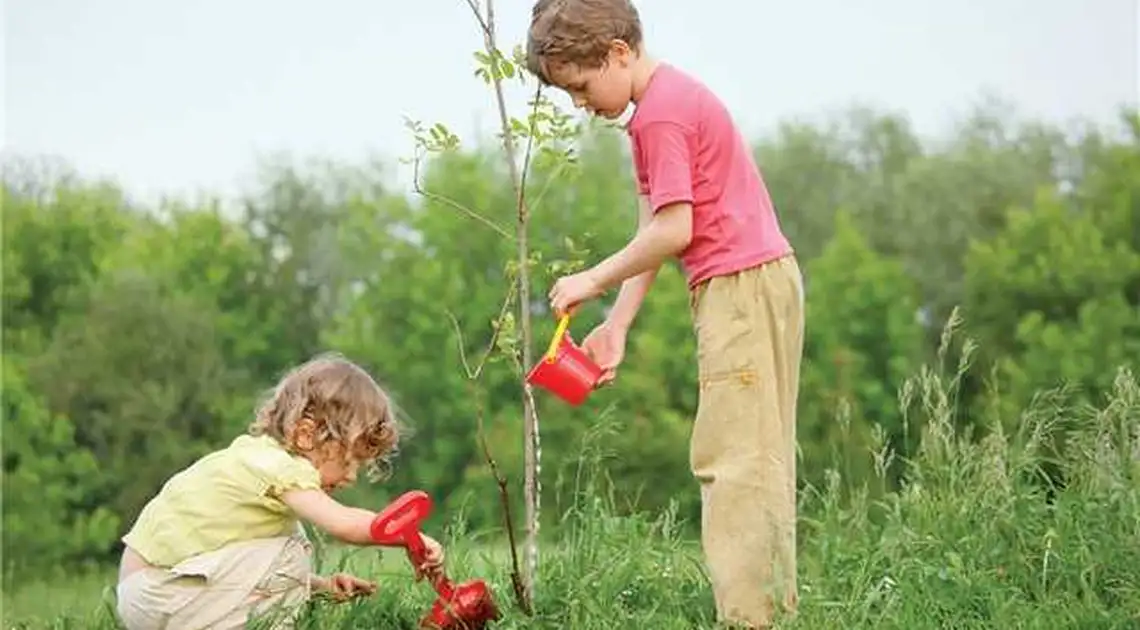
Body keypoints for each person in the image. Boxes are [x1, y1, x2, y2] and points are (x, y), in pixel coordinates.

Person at [527, 1, 805, 627]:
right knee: (758, 454)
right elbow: (659, 226)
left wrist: (593, 278)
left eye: (580, 85)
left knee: (733, 460)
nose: (579, 103)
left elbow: (676, 229)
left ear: (619, 52)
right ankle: (768, 611)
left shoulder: (661, 116)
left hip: (739, 286)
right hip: (754, 280)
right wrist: (618, 322)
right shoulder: (661, 108)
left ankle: (752, 618)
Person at [114, 353, 445, 630]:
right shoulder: (281, 467)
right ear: (306, 435)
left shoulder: (256, 458)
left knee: (288, 545)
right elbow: (343, 524)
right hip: (160, 592)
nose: (350, 477)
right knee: (290, 551)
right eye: (349, 461)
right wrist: (407, 537)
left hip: (152, 592)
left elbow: (236, 561)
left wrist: (318, 586)